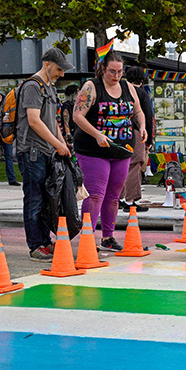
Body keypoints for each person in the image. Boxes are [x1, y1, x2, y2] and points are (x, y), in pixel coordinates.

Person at [73, 50, 146, 252]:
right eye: (112, 71)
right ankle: (88, 238)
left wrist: (142, 126)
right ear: (103, 69)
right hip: (93, 149)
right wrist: (97, 134)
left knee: (114, 195)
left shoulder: (127, 87)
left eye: (120, 72)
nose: (116, 76)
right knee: (95, 194)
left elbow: (138, 110)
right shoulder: (91, 87)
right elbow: (78, 116)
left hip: (121, 149)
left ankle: (108, 237)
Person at [17, 47, 73, 261]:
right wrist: (56, 144)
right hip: (32, 150)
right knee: (34, 198)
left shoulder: (49, 86)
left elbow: (52, 120)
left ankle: (45, 241)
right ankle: (36, 245)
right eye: (59, 69)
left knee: (47, 198)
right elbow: (34, 121)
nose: (62, 74)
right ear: (47, 64)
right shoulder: (33, 86)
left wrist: (61, 143)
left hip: (47, 150)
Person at [120, 66, 154, 211]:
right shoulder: (141, 94)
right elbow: (147, 116)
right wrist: (149, 140)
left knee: (121, 165)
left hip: (119, 132)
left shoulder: (120, 91)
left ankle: (119, 198)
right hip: (136, 132)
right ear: (142, 79)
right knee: (134, 165)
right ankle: (130, 200)